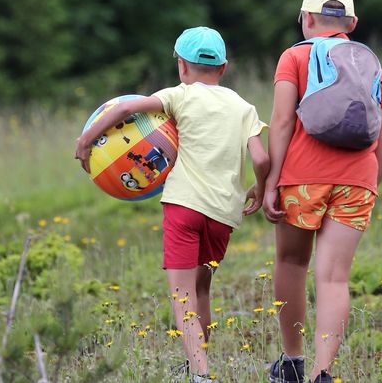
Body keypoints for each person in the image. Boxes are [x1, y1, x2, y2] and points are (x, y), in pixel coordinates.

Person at [75, 26, 269, 383]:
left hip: (183, 207)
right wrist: (258, 186)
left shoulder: (179, 95)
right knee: (202, 288)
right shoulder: (244, 108)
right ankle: (199, 366)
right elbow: (261, 158)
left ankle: (200, 373)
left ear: (181, 66)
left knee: (181, 295)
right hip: (223, 214)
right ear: (223, 68)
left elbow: (129, 106)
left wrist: (87, 139)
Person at [262, 0, 382, 383]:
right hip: (357, 181)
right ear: (352, 23)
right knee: (335, 277)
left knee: (291, 261)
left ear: (305, 19)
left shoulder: (293, 57)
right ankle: (323, 373)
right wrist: (370, 181)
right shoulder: (375, 67)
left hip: (301, 177)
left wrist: (272, 180)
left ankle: (292, 363)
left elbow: (283, 121)